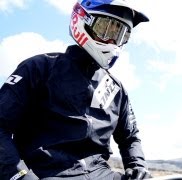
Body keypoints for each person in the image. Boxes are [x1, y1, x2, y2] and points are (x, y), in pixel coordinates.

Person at [0, 0, 151, 179]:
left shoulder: (116, 90)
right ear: (83, 21)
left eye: (120, 34)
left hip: (101, 174)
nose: (112, 40)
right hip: (45, 173)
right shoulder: (38, 69)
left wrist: (137, 165)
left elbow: (130, 137)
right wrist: (20, 175)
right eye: (106, 28)